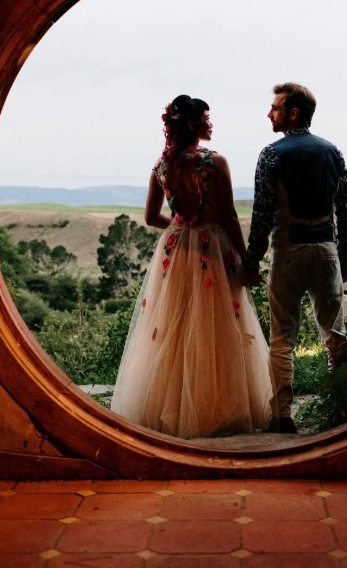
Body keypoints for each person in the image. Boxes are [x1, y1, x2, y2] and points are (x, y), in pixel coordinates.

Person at [111, 95, 272, 438]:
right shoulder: (214, 162)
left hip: (177, 251)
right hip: (210, 249)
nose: (210, 124)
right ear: (191, 123)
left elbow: (151, 217)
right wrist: (246, 259)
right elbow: (229, 216)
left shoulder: (161, 167)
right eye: (206, 118)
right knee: (217, 324)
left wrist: (179, 227)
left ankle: (170, 406)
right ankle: (218, 408)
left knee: (176, 323)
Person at [243, 82, 347, 434]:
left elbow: (262, 214)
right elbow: (344, 210)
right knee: (335, 334)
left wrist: (251, 261)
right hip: (326, 252)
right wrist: (343, 257)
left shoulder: (272, 154)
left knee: (282, 338)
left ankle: (282, 416)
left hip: (288, 251)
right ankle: (342, 408)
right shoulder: (333, 152)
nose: (269, 113)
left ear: (292, 113)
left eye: (275, 107)